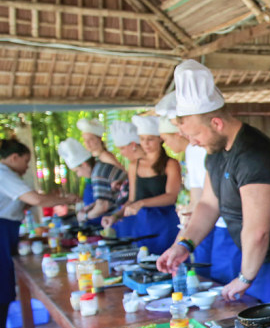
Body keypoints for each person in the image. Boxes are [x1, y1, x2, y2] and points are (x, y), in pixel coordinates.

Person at [156, 60, 270, 306]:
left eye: (196, 135)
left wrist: (245, 277)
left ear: (217, 123)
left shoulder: (253, 155)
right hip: (261, 254)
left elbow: (258, 230)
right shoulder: (215, 152)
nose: (193, 143)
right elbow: (208, 205)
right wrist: (184, 244)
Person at [0, 139, 76, 328]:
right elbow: (37, 200)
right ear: (14, 158)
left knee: (1, 293)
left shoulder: (1, 175)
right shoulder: (1, 174)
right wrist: (67, 199)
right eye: (25, 161)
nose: (26, 167)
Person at [157, 92, 240, 284]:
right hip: (206, 226)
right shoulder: (192, 151)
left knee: (228, 285)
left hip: (229, 228)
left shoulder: (217, 148)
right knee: (210, 280)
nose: (180, 134)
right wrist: (181, 239)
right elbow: (200, 198)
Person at [103, 115, 181, 253]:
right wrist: (115, 216)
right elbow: (132, 200)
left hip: (165, 223)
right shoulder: (134, 165)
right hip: (142, 223)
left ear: (160, 139)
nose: (146, 144)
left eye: (150, 139)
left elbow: (171, 197)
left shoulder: (170, 164)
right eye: (142, 139)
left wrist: (142, 203)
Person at [58, 138, 127, 224]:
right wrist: (91, 207)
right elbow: (105, 200)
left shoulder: (98, 174)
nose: (79, 175)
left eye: (77, 171)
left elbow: (102, 206)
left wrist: (85, 216)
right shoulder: (99, 167)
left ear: (84, 164)